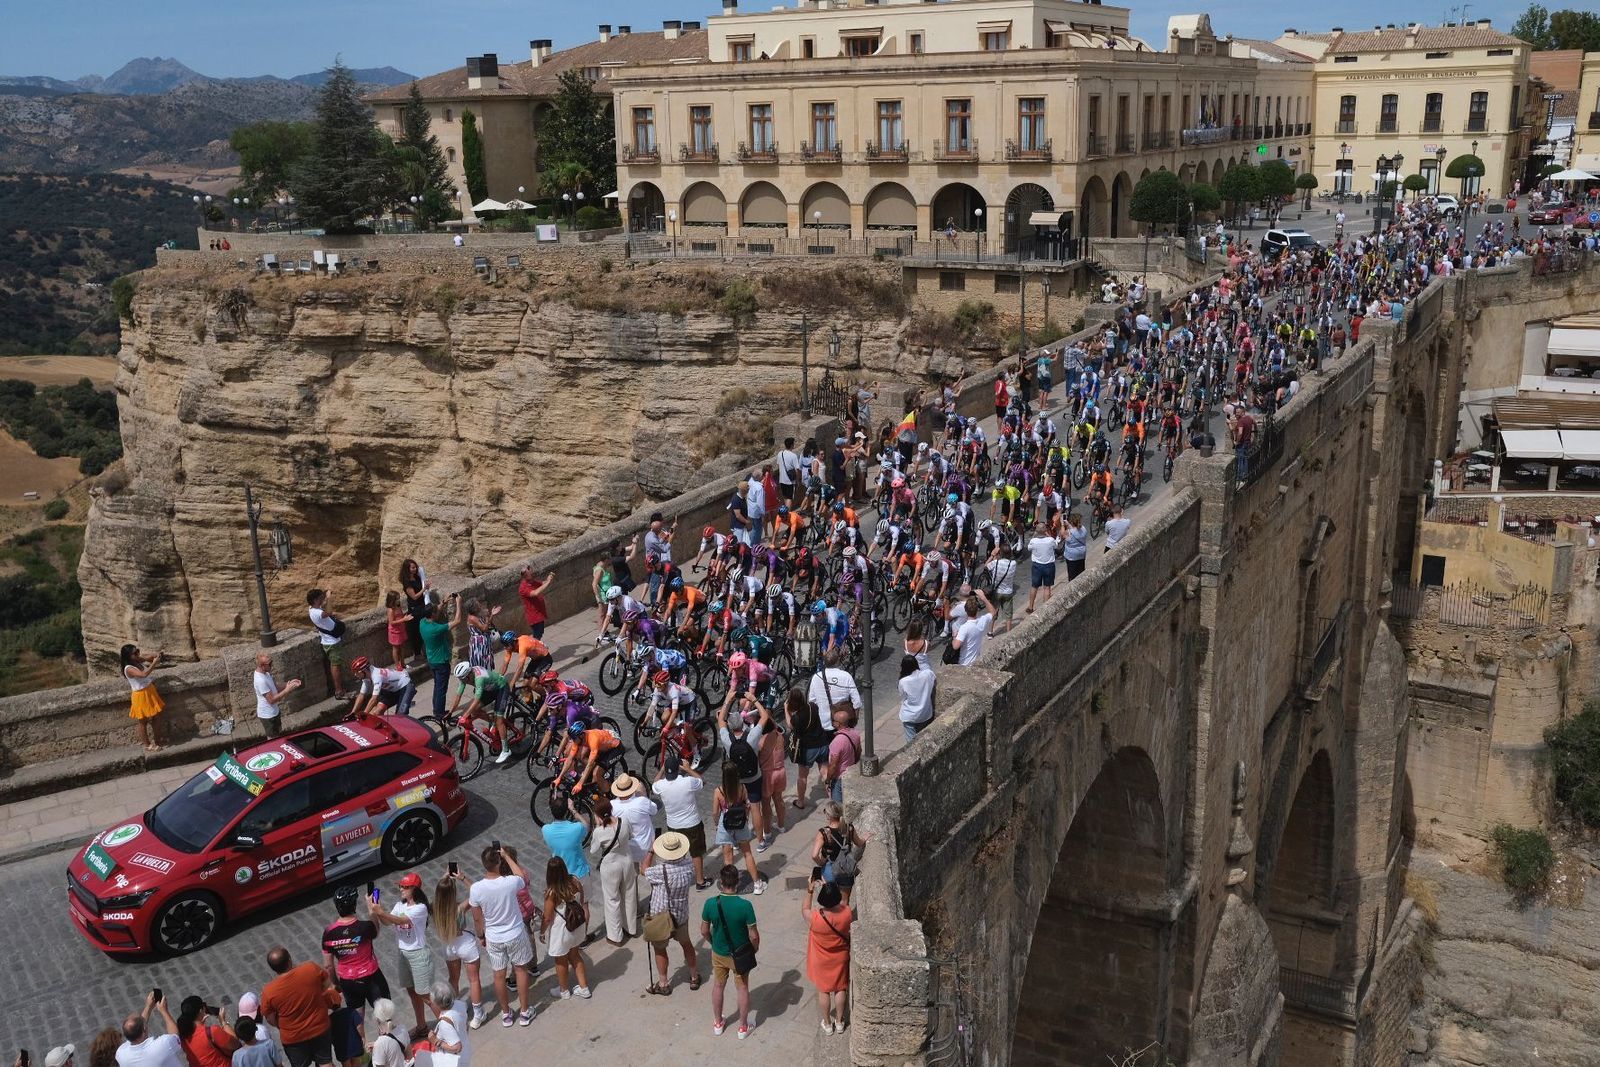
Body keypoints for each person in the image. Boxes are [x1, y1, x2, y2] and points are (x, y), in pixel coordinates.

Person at [468, 843, 538, 1027]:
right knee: (521, 970)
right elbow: (521, 876)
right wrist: (507, 856)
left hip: (494, 937)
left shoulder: (476, 889)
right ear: (499, 861)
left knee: (498, 975)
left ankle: (506, 1014)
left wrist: (481, 936)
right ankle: (524, 1012)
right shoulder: (510, 882)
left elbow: (477, 918)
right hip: (515, 933)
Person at [701, 864, 760, 1039]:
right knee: (742, 988)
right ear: (737, 881)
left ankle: (718, 1023)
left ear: (721, 882)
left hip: (719, 953)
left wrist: (713, 943)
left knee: (718, 986)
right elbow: (754, 936)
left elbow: (704, 931)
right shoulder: (745, 906)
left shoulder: (710, 903)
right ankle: (743, 1027)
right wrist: (753, 950)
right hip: (740, 955)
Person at [368, 873, 432, 1027]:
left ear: (415, 889)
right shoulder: (399, 905)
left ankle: (447, 1023)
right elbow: (387, 922)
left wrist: (381, 912)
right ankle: (422, 1026)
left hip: (418, 954)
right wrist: (377, 910)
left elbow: (402, 920)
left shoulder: (421, 908)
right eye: (400, 886)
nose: (401, 889)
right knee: (412, 992)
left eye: (405, 886)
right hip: (403, 954)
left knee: (424, 995)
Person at [642, 830, 701, 995]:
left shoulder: (660, 870)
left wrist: (651, 850)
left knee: (660, 949)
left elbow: (643, 869)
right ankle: (694, 977)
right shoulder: (689, 865)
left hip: (661, 916)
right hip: (681, 915)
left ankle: (663, 983)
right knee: (686, 944)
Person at [259, 947, 337, 1067]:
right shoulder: (310, 968)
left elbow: (270, 1019)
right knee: (325, 1062)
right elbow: (327, 986)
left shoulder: (268, 991)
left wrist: (281, 1026)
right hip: (319, 1027)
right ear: (289, 960)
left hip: (293, 1038)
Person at [431, 873, 488, 1030]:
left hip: (449, 946)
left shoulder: (434, 909)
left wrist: (443, 879)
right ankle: (478, 1015)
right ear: (453, 893)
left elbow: (440, 892)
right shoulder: (459, 908)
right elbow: (476, 892)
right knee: (474, 980)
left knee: (454, 979)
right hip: (465, 944)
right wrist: (462, 877)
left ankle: (456, 1010)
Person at [321, 885, 390, 1011]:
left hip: (347, 982)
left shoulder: (328, 933)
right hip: (372, 978)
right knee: (384, 1015)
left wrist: (336, 983)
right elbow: (376, 928)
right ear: (354, 906)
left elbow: (328, 966)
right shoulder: (365, 927)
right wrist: (372, 905)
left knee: (357, 1020)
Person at [651, 751, 711, 887]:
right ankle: (700, 881)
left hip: (674, 825)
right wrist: (688, 769)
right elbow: (702, 781)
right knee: (696, 853)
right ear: (678, 769)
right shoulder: (688, 782)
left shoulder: (661, 786)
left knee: (678, 855)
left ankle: (680, 880)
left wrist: (661, 770)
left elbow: (654, 784)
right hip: (692, 823)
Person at [803, 880, 853, 1036]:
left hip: (821, 959)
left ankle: (827, 1023)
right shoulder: (847, 913)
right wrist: (830, 887)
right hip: (840, 957)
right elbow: (843, 903)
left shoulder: (815, 917)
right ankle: (839, 1022)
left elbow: (804, 908)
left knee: (824, 991)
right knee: (840, 988)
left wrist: (810, 890)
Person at [539, 857, 592, 999]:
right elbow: (581, 900)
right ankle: (584, 987)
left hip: (562, 931)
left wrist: (542, 932)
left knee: (560, 960)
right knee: (575, 955)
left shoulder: (552, 893)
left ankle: (563, 991)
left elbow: (547, 917)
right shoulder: (574, 880)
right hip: (576, 926)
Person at [587, 796, 638, 944]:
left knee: (612, 900)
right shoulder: (624, 821)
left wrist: (596, 827)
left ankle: (615, 936)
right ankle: (631, 928)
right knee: (629, 895)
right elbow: (630, 836)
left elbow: (593, 850)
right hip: (627, 861)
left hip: (610, 867)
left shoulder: (599, 831)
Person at [713, 759, 764, 893]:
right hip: (740, 822)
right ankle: (757, 884)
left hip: (725, 823)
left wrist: (716, 825)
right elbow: (747, 805)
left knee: (728, 858)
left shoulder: (718, 791)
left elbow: (715, 812)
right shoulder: (741, 788)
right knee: (747, 853)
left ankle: (730, 887)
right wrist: (745, 817)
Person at [812, 801, 868, 904]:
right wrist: (865, 838)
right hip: (845, 868)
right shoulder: (849, 828)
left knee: (830, 900)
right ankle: (844, 919)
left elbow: (814, 855)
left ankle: (832, 919)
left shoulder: (823, 833)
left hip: (829, 869)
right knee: (844, 901)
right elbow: (859, 843)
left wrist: (820, 863)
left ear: (828, 815)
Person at [117, 992, 183, 1067]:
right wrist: (164, 1011)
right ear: (144, 1029)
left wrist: (148, 1007)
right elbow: (175, 1035)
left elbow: (138, 1026)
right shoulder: (162, 1045)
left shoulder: (121, 1054)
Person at [121, 644, 165, 752]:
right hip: (140, 694)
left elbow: (147, 658)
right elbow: (143, 674)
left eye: (138, 651)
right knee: (143, 721)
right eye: (135, 653)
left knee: (157, 716)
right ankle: (147, 744)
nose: (138, 654)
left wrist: (157, 655)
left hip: (149, 690)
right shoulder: (129, 668)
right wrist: (154, 663)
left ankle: (157, 740)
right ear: (128, 656)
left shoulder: (136, 660)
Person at [609, 773, 660, 866]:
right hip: (646, 848)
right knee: (649, 872)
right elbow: (654, 810)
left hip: (626, 849)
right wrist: (643, 794)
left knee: (632, 876)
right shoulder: (641, 801)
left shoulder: (612, 805)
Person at [305, 590, 348, 699]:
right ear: (315, 600)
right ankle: (338, 691)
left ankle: (340, 689)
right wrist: (329, 598)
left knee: (336, 665)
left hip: (330, 640)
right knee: (336, 666)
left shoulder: (312, 609)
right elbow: (328, 612)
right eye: (321, 598)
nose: (323, 599)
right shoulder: (316, 612)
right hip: (331, 643)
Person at [419, 599, 456, 719]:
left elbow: (435, 611)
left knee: (437, 685)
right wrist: (459, 604)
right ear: (433, 614)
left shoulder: (422, 623)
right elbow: (457, 621)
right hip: (441, 662)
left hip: (432, 660)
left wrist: (443, 602)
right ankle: (440, 713)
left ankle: (436, 709)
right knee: (441, 689)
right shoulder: (436, 629)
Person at [540, 793, 590, 880]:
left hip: (561, 875)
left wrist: (555, 804)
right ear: (567, 811)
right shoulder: (576, 828)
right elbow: (586, 825)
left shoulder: (545, 829)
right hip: (579, 873)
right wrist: (573, 809)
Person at [252, 653, 301, 738]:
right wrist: (287, 690)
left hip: (275, 712)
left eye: (271, 662)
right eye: (270, 664)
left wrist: (289, 684)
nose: (272, 665)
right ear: (262, 666)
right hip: (268, 716)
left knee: (279, 734)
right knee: (273, 740)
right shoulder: (260, 681)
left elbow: (275, 687)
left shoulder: (266, 673)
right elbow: (271, 700)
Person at [824, 703, 861, 804]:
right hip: (851, 773)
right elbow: (858, 752)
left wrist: (828, 780)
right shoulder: (855, 733)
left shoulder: (837, 741)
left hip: (840, 778)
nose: (832, 722)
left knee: (837, 806)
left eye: (834, 721)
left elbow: (833, 765)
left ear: (838, 724)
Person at [897, 654, 936, 743]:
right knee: (923, 739)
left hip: (910, 715)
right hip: (925, 713)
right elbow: (933, 678)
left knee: (911, 743)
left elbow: (903, 697)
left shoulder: (903, 681)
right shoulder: (927, 674)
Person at [951, 589, 996, 667]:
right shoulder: (982, 621)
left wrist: (954, 636)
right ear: (977, 610)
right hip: (975, 661)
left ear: (965, 610)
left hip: (964, 663)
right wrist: (984, 598)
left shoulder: (964, 628)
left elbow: (955, 646)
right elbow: (993, 612)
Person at [398, 559, 430, 663]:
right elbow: (414, 597)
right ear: (407, 569)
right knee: (416, 633)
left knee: (424, 630)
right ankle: (417, 654)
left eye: (415, 567)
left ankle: (425, 652)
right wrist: (424, 589)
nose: (415, 569)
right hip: (415, 609)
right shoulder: (407, 582)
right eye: (412, 567)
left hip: (421, 606)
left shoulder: (416, 577)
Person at [1024, 522, 1059, 615]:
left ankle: (1031, 607)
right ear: (1045, 531)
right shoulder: (1050, 540)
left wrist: (1034, 536)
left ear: (1036, 531)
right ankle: (1045, 609)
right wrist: (1047, 534)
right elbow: (1056, 545)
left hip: (1037, 566)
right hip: (1049, 566)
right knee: (1047, 587)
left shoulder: (1034, 541)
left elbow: (1029, 548)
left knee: (1034, 586)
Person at [364, 1003, 406, 1067]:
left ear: (377, 1021)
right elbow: (409, 1058)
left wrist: (377, 1049)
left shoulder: (380, 1043)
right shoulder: (402, 1029)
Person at [517, 566, 553, 639]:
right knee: (537, 635)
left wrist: (549, 579)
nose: (532, 573)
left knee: (540, 633)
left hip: (539, 613)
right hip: (534, 616)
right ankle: (534, 649)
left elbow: (543, 583)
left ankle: (536, 648)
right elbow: (535, 593)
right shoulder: (523, 588)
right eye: (529, 572)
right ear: (524, 575)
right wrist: (548, 582)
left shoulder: (532, 581)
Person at [384, 592, 413, 671]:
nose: (398, 600)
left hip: (401, 629)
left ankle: (403, 663)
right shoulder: (390, 610)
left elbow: (400, 616)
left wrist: (405, 617)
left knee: (402, 646)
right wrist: (404, 619)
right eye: (397, 599)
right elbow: (392, 622)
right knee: (396, 648)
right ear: (392, 600)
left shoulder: (398, 606)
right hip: (394, 631)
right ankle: (397, 665)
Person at [1062, 513, 1089, 582]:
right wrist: (1068, 525)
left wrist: (1062, 524)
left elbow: (1062, 534)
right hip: (1081, 554)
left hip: (1072, 557)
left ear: (1071, 522)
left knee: (1072, 576)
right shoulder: (1083, 529)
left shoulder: (1068, 532)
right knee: (1081, 573)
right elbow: (1075, 530)